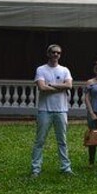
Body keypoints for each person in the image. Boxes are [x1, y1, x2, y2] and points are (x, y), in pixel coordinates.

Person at [30, 44, 74, 177]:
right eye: (53, 52)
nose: (56, 55)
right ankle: (35, 169)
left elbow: (69, 85)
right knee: (40, 141)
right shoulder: (41, 69)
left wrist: (51, 85)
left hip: (61, 110)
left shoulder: (65, 70)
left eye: (58, 53)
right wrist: (61, 87)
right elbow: (42, 88)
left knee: (62, 141)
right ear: (48, 54)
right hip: (45, 110)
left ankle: (66, 168)